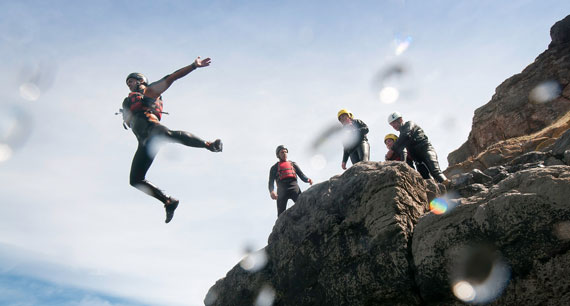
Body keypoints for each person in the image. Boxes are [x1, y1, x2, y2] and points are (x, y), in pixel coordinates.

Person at [121, 56, 223, 223]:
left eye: (132, 81)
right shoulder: (129, 103)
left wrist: (193, 66)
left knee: (166, 135)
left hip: (153, 129)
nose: (129, 84)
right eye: (128, 83)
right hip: (144, 142)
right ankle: (168, 201)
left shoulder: (150, 91)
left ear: (141, 81)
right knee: (135, 179)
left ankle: (209, 144)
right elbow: (130, 115)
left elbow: (172, 77)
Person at [385, 112, 449, 185]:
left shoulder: (409, 124)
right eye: (391, 124)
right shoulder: (401, 137)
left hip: (425, 150)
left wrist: (392, 150)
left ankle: (451, 186)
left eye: (394, 123)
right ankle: (438, 193)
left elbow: (406, 134)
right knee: (425, 179)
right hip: (417, 159)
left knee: (435, 172)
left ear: (400, 119)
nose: (393, 126)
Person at [268, 145, 313, 217]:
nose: (284, 154)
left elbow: (301, 175)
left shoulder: (293, 164)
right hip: (282, 190)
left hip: (294, 187)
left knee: (302, 206)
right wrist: (272, 191)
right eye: (282, 152)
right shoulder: (274, 168)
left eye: (285, 152)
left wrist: (308, 180)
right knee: (280, 214)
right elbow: (271, 182)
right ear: (278, 155)